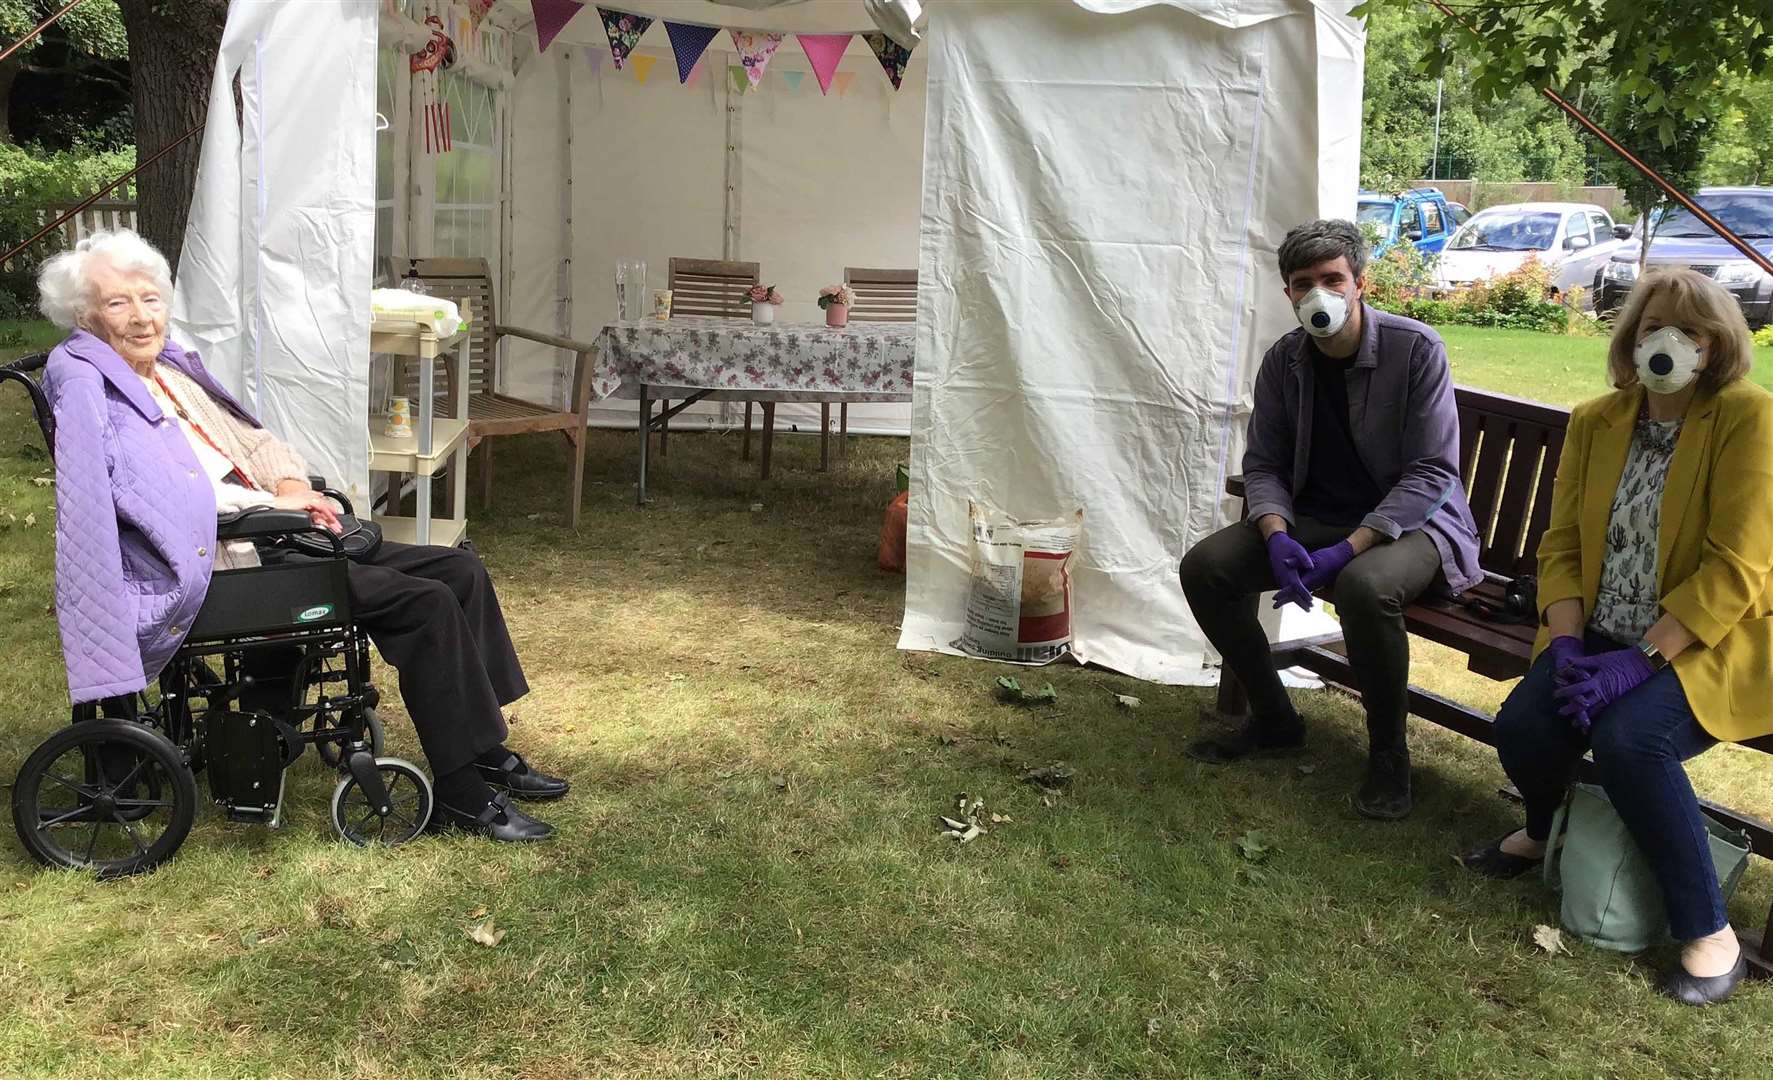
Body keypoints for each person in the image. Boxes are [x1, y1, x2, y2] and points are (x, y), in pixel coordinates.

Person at [37, 229, 568, 843]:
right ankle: (463, 794)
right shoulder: (87, 385)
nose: (141, 316)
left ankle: (484, 752)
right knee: (425, 605)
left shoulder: (165, 370)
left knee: (459, 571)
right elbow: (163, 500)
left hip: (268, 533)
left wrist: (290, 480)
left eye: (150, 298)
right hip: (220, 561)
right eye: (118, 303)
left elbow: (251, 439)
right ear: (84, 315)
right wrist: (274, 504)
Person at [1458, 268, 1773, 1006]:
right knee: (1525, 727)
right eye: (1652, 325)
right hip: (1597, 632)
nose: (1668, 342)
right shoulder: (1597, 419)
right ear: (1628, 337)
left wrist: (1641, 662)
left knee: (1634, 742)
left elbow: (1741, 565)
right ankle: (1542, 833)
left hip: (1708, 640)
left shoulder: (1746, 417)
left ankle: (1710, 935)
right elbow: (1561, 541)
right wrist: (1565, 642)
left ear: (1717, 344)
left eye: (1690, 331)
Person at [1179, 219, 1481, 819]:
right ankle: (1274, 719)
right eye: (1303, 282)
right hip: (1316, 518)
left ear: (1360, 282)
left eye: (1332, 278)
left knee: (1363, 587)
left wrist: (1351, 548)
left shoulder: (1416, 349)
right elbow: (1262, 462)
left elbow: (1430, 473)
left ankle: (1389, 755)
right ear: (1288, 293)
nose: (1320, 293)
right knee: (1206, 567)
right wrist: (1276, 531)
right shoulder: (1284, 360)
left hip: (1417, 525)